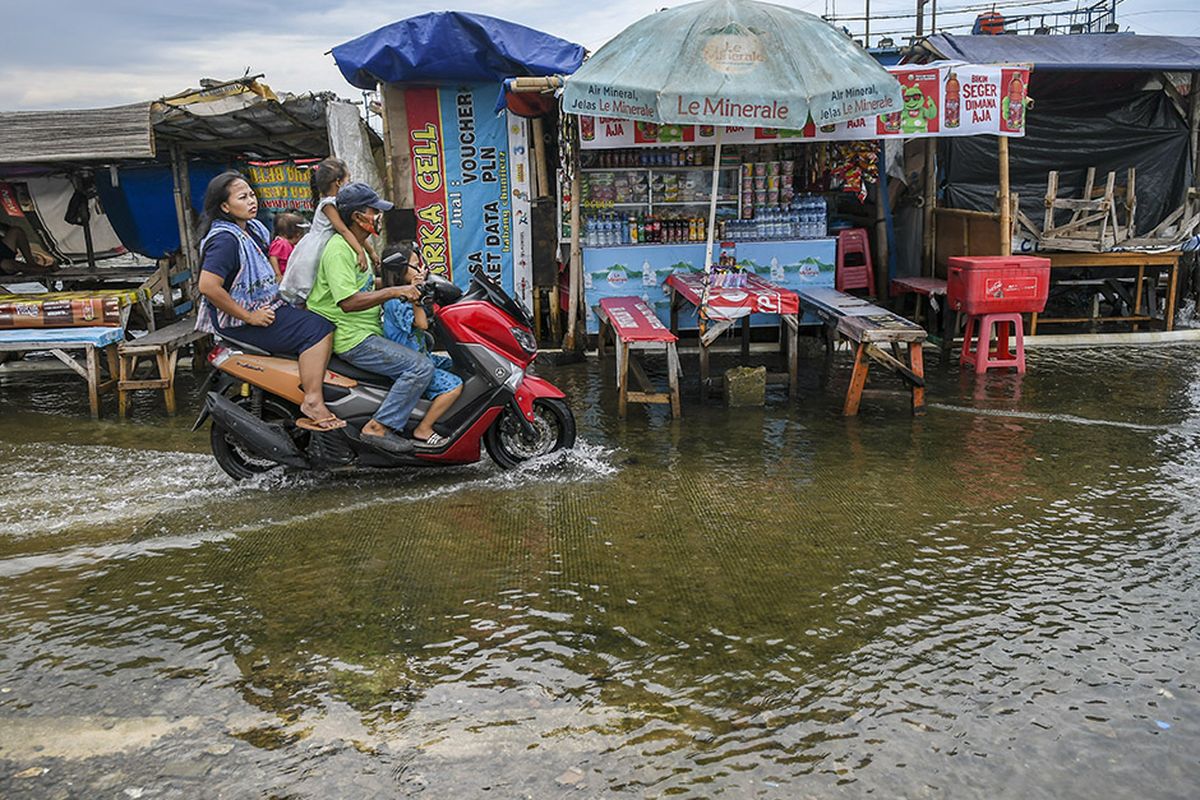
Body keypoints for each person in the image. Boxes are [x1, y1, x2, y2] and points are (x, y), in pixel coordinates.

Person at [194, 171, 345, 432]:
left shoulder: (252, 230)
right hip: (239, 320)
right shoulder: (225, 240)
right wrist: (249, 317)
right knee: (318, 329)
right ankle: (312, 400)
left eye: (252, 195)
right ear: (225, 206)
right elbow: (207, 287)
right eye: (243, 197)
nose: (252, 201)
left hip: (265, 306)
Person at [306, 183, 433, 455]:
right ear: (357, 217)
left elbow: (362, 286)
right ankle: (378, 426)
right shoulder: (339, 250)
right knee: (420, 367)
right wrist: (395, 290)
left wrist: (406, 283)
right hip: (352, 338)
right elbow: (349, 301)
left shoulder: (357, 248)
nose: (378, 216)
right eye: (373, 211)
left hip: (368, 330)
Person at [380, 243, 463, 447]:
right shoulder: (395, 300)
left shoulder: (405, 295)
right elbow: (422, 324)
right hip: (409, 364)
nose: (420, 270)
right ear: (400, 271)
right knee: (454, 386)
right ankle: (423, 428)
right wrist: (417, 296)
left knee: (458, 366)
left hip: (422, 355)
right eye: (415, 266)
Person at [278, 158, 377, 304]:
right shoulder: (328, 204)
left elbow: (351, 231)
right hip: (317, 247)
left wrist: (371, 252)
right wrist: (360, 251)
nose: (350, 183)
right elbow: (343, 229)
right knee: (310, 282)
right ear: (338, 182)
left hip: (327, 242)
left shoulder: (339, 202)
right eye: (348, 179)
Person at [267, 212, 305, 279]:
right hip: (281, 277)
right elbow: (273, 257)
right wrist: (277, 274)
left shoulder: (289, 244)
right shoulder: (281, 243)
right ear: (298, 234)